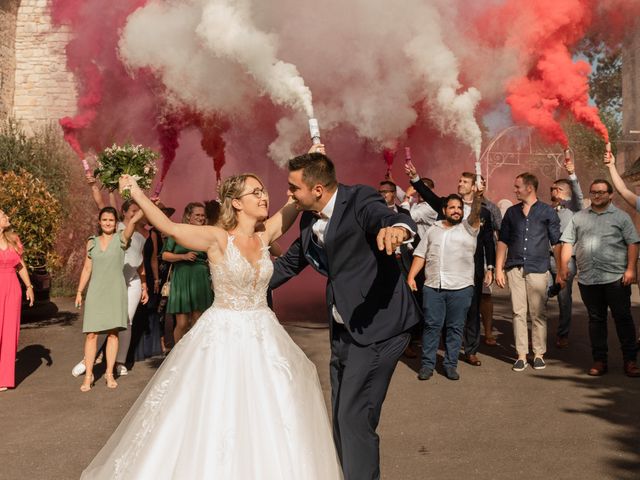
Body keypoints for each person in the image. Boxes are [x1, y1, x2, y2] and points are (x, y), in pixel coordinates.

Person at [80, 169, 342, 479]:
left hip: (265, 337)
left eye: (263, 191)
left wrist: (314, 156)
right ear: (236, 203)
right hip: (223, 337)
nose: (263, 196)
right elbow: (169, 227)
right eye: (255, 192)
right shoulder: (218, 238)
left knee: (272, 413)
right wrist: (135, 193)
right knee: (217, 411)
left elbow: (296, 202)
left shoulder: (264, 236)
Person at [270, 148, 420, 480]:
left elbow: (387, 218)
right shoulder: (310, 218)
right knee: (341, 416)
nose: (289, 194)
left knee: (355, 416)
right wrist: (248, 283)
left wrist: (399, 230)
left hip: (379, 328)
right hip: (343, 331)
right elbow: (293, 260)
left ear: (317, 189)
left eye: (294, 188)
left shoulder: (359, 199)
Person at [405, 163, 495, 367]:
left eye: (464, 181)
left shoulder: (484, 213)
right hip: (444, 269)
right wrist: (416, 178)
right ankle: (448, 347)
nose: (460, 183)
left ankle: (471, 350)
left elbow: (488, 242)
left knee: (472, 309)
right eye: (459, 181)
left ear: (474, 186)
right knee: (446, 310)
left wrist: (490, 267)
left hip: (471, 267)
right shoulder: (447, 205)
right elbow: (430, 197)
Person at [559, 179, 640, 377]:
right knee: (596, 320)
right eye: (594, 192)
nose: (597, 195)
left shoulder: (621, 217)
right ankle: (599, 360)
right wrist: (563, 268)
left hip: (616, 279)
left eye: (602, 192)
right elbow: (567, 242)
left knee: (623, 319)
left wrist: (631, 269)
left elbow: (633, 243)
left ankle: (630, 361)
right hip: (588, 279)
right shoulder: (579, 217)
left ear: (610, 195)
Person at [407, 191, 482, 381]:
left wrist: (478, 198)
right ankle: (427, 365)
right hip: (433, 287)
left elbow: (474, 215)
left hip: (461, 287)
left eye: (459, 208)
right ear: (444, 210)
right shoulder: (433, 229)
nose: (456, 211)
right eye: (452, 207)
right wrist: (411, 277)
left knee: (455, 328)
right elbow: (420, 254)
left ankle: (450, 365)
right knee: (432, 326)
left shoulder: (469, 227)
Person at [495, 173, 561, 372]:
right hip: (514, 267)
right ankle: (521, 355)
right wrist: (499, 268)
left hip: (538, 267)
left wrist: (561, 270)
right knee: (518, 312)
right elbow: (502, 241)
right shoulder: (511, 213)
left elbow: (556, 242)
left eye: (517, 187)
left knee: (538, 312)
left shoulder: (547, 212)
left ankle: (539, 353)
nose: (515, 190)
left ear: (529, 188)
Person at [75, 206, 143, 392]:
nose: (107, 223)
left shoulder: (122, 239)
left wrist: (146, 204)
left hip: (115, 291)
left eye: (111, 220)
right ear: (99, 221)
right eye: (104, 220)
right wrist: (80, 291)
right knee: (91, 334)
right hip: (96, 291)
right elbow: (87, 269)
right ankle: (88, 376)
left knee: (113, 333)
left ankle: (110, 373)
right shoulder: (92, 242)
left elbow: (134, 222)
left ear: (116, 222)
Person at [161, 202, 213, 343]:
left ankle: (195, 356)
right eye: (197, 215)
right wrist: (182, 256)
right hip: (182, 277)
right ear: (188, 216)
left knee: (198, 322)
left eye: (203, 215)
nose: (201, 218)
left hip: (201, 278)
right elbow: (165, 255)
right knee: (182, 323)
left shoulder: (208, 233)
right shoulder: (178, 231)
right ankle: (178, 355)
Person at [548, 158, 584, 348]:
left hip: (566, 260)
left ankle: (563, 334)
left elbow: (578, 194)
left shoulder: (574, 208)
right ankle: (538, 332)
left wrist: (572, 173)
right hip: (546, 258)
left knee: (564, 299)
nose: (551, 192)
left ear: (562, 191)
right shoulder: (547, 209)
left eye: (554, 189)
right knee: (540, 295)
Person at [0, 209, 34, 392]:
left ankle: (4, 378)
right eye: (4, 215)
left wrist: (29, 286)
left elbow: (20, 265)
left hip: (12, 288)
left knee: (10, 332)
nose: (8, 217)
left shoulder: (13, 239)